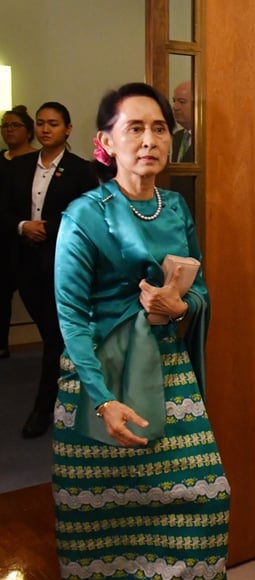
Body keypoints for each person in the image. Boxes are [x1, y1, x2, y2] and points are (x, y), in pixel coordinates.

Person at [51, 82, 229, 580]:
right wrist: (103, 400)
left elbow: (200, 290)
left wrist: (181, 306)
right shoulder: (84, 215)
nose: (150, 139)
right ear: (105, 141)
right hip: (97, 375)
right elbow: (71, 317)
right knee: (98, 513)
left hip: (167, 368)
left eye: (159, 128)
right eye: (134, 128)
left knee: (206, 497)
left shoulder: (174, 207)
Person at [2, 102, 96, 437]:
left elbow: (86, 215)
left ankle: (44, 409)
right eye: (41, 123)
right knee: (51, 334)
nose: (45, 129)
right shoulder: (17, 166)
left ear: (67, 129)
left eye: (53, 124)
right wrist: (22, 226)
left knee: (56, 336)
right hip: (24, 262)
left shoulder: (81, 170)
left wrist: (49, 228)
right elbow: (3, 209)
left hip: (62, 261)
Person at [0, 105, 38, 359]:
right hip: (3, 233)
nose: (9, 130)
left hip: (30, 237)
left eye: (15, 125)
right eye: (5, 126)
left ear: (28, 131)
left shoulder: (38, 160)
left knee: (34, 292)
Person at [171, 80, 194, 163]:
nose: (175, 107)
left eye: (182, 102)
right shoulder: (177, 137)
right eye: (174, 101)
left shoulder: (207, 139)